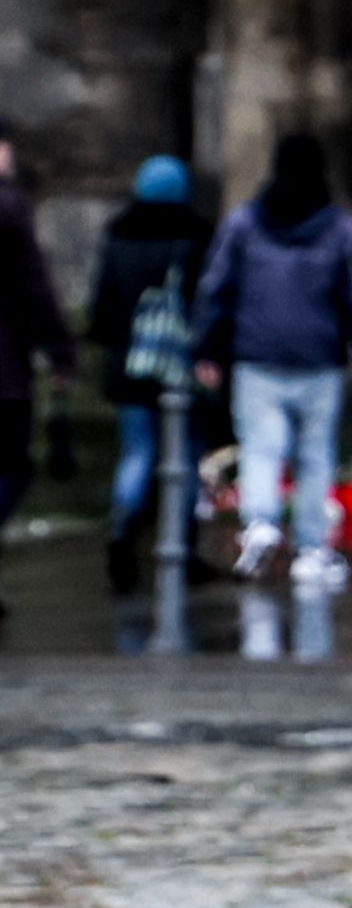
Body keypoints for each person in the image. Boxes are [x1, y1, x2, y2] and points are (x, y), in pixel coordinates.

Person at [192, 131, 352, 590]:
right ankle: (310, 551)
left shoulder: (245, 223)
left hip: (257, 356)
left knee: (261, 449)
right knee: (315, 456)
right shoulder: (342, 229)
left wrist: (206, 348)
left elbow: (215, 288)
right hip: (319, 359)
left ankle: (260, 524)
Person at [87, 155, 215, 592]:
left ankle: (121, 532)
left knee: (138, 453)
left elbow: (101, 308)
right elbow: (209, 301)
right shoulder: (197, 235)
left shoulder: (118, 235)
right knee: (187, 455)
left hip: (129, 366)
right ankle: (182, 544)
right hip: (181, 364)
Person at [0, 121, 79, 617]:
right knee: (12, 465)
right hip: (4, 371)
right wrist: (60, 351)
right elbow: (32, 285)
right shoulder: (8, 207)